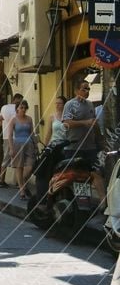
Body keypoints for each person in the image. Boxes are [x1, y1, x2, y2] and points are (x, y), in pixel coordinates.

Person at [62, 76, 106, 204]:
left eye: (88, 89)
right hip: (74, 147)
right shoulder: (70, 105)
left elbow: (94, 123)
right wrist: (84, 123)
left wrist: (100, 139)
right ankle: (76, 202)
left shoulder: (90, 104)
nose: (87, 91)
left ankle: (103, 201)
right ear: (77, 90)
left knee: (95, 172)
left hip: (90, 146)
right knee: (76, 176)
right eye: (84, 89)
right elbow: (66, 123)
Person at [7, 99, 37, 199]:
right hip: (17, 145)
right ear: (17, 109)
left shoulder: (29, 119)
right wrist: (11, 149)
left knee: (30, 166)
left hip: (29, 144)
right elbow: (10, 135)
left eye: (25, 108)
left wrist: (36, 144)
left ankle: (23, 183)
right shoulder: (13, 119)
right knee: (19, 167)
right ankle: (22, 191)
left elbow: (32, 133)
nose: (23, 109)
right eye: (21, 107)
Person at [0, 92, 22, 187]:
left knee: (6, 158)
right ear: (17, 99)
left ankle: (1, 180)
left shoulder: (4, 108)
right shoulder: (18, 108)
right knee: (19, 159)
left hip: (6, 136)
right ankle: (19, 182)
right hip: (17, 136)